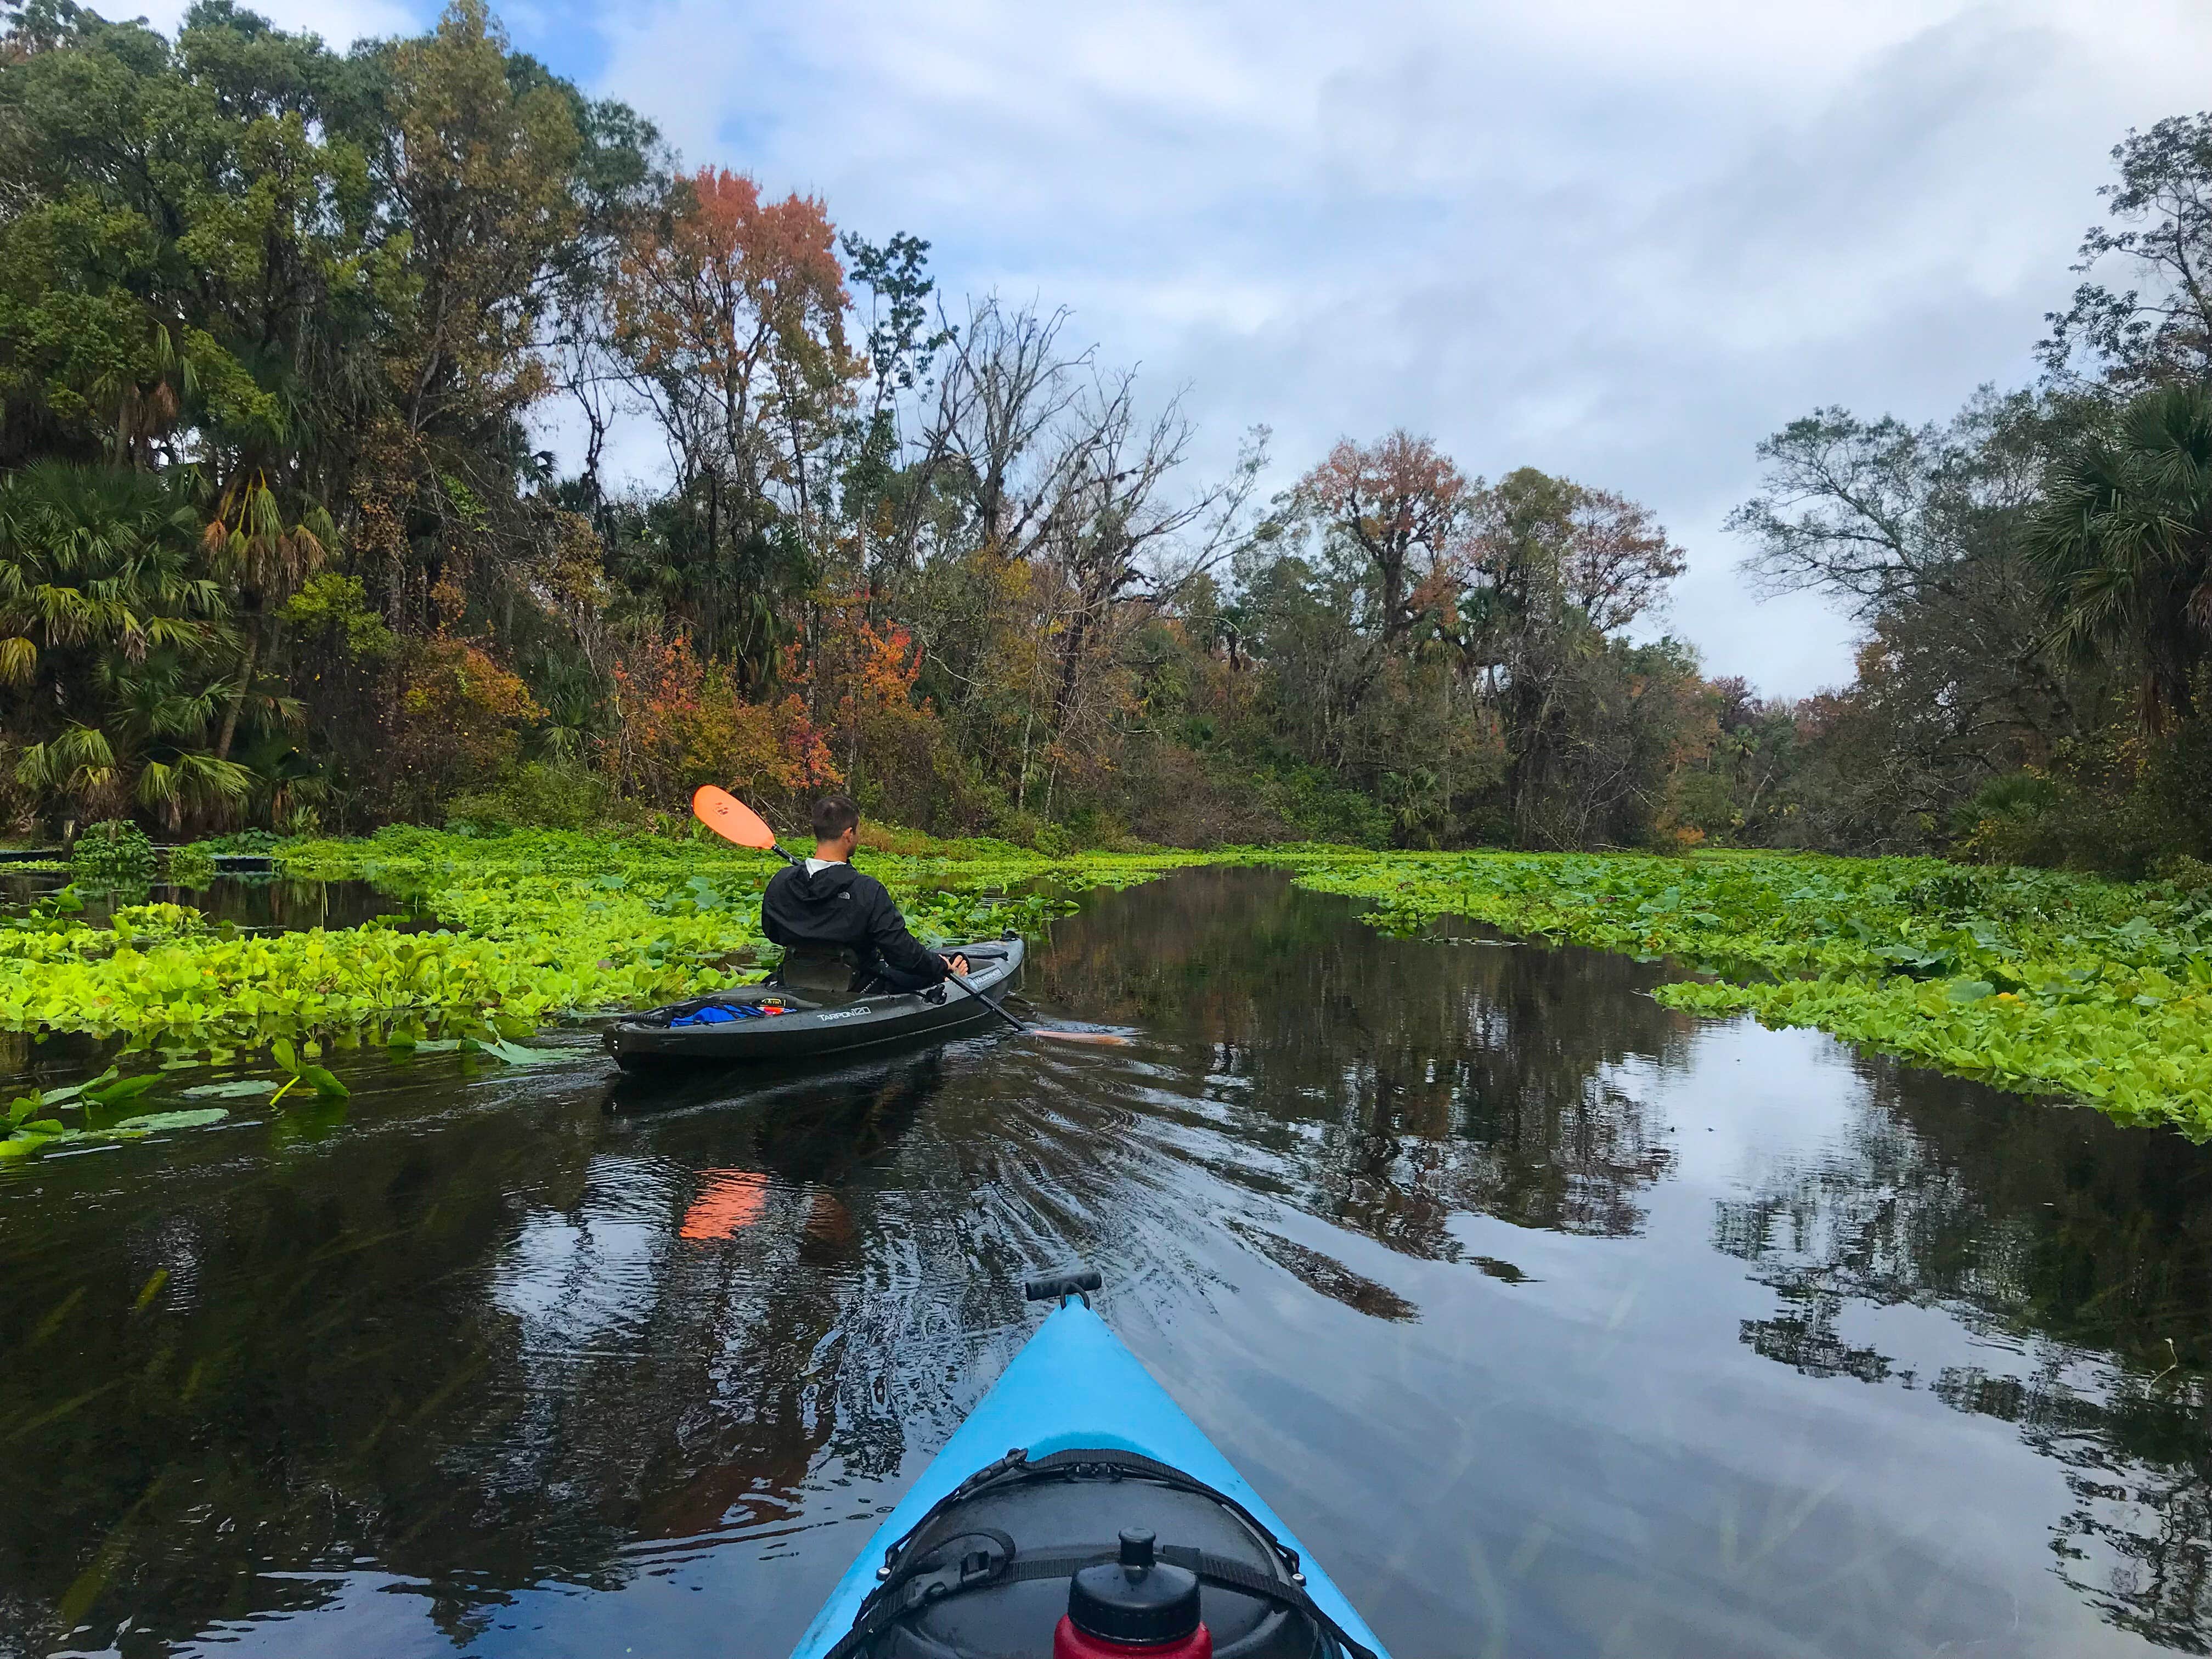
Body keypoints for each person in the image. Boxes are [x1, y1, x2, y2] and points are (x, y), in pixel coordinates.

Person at [760, 794, 969, 993]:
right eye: (857, 832)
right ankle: (950, 973)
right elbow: (903, 954)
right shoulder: (868, 890)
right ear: (849, 834)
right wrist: (940, 966)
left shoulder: (782, 881)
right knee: (923, 974)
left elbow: (773, 933)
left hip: (796, 976)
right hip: (858, 985)